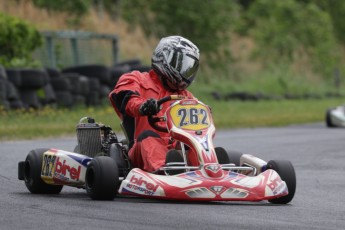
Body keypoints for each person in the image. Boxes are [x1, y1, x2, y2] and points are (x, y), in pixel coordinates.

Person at [109, 35, 200, 172]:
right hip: (141, 147)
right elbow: (126, 100)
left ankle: (210, 170)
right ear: (164, 57)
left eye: (189, 68)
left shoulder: (186, 97)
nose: (186, 72)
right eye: (181, 64)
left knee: (194, 144)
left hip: (175, 148)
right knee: (149, 139)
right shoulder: (136, 79)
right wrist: (143, 107)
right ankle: (165, 170)